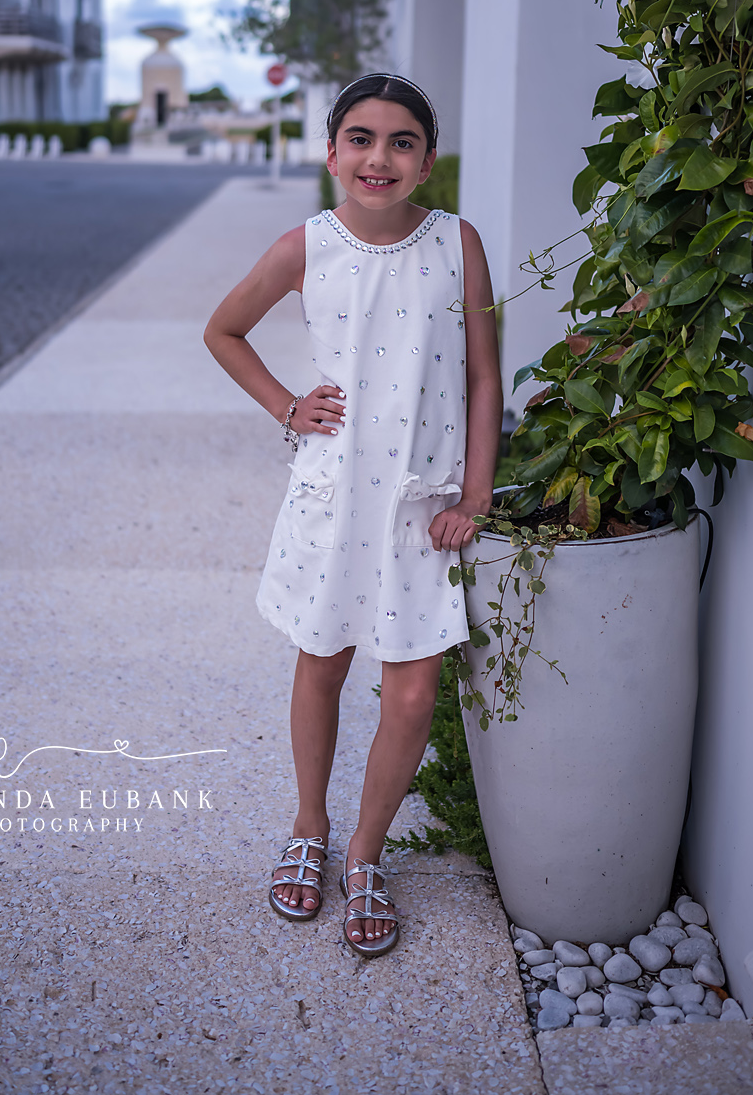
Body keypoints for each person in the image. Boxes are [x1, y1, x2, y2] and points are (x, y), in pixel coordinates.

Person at [204, 73, 502, 957]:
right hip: (335, 498)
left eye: (402, 141)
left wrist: (475, 494)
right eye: (361, 139)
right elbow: (224, 330)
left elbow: (485, 376)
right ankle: (310, 825)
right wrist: (287, 407)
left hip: (422, 502)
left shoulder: (458, 242)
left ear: (428, 160)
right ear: (332, 152)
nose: (381, 157)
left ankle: (367, 853)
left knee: (411, 694)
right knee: (323, 662)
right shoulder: (306, 246)